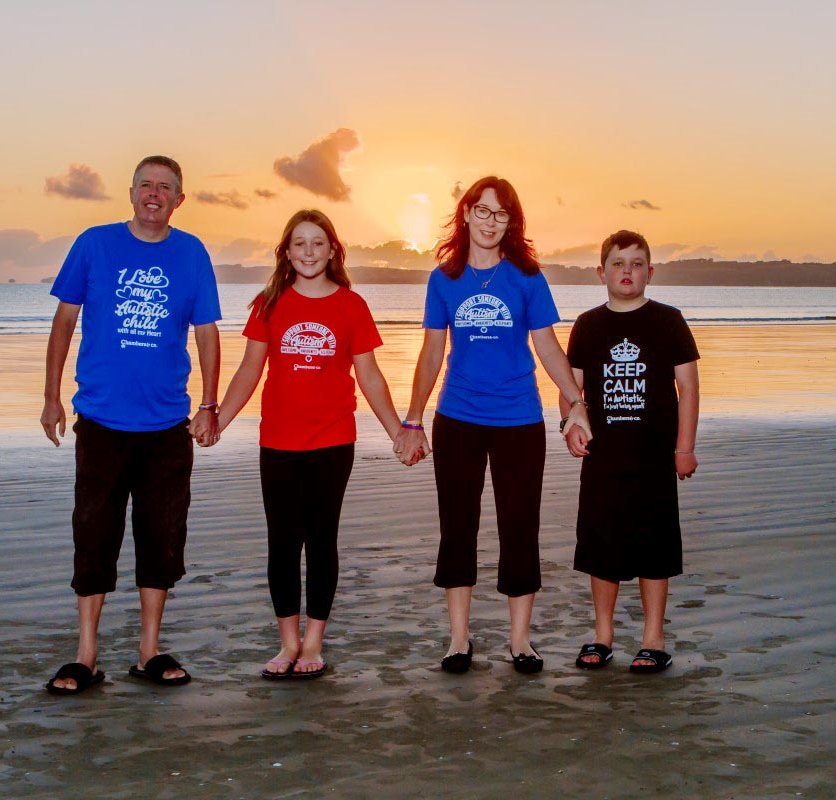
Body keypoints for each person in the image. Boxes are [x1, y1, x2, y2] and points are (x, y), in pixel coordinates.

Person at [394, 176, 591, 675]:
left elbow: (547, 346)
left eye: (499, 213)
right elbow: (433, 352)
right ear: (465, 215)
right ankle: (459, 639)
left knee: (519, 528)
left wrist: (575, 402)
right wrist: (413, 420)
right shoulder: (444, 279)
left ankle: (520, 640)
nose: (489, 220)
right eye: (481, 211)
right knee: (456, 527)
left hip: (519, 420)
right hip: (458, 418)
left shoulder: (527, 277)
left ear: (511, 221)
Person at [41, 155, 221, 694]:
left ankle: (148, 650)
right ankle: (86, 655)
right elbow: (64, 322)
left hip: (167, 425)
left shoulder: (191, 253)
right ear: (131, 192)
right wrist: (51, 398)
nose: (155, 193)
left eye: (166, 187)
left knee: (161, 537)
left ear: (178, 200)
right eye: (147, 184)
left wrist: (210, 404)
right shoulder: (94, 244)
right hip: (100, 421)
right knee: (93, 534)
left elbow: (207, 333)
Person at [212, 209, 406, 679]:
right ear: (286, 251)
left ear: (333, 250)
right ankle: (287, 643)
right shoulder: (269, 304)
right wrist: (216, 418)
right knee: (282, 544)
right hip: (278, 441)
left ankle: (314, 642)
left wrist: (398, 430)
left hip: (333, 441)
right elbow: (248, 372)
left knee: (321, 542)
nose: (309, 252)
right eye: (299, 243)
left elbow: (371, 377)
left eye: (318, 243)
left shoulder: (350, 306)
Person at [561, 230, 699, 674]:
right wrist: (571, 425)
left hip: (655, 457)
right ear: (601, 272)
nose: (627, 271)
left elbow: (689, 388)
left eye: (637, 264)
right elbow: (571, 388)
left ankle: (653, 639)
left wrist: (685, 447)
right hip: (603, 459)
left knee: (654, 546)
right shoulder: (588, 325)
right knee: (601, 545)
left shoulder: (668, 320)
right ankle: (602, 636)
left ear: (650, 272)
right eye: (618, 263)